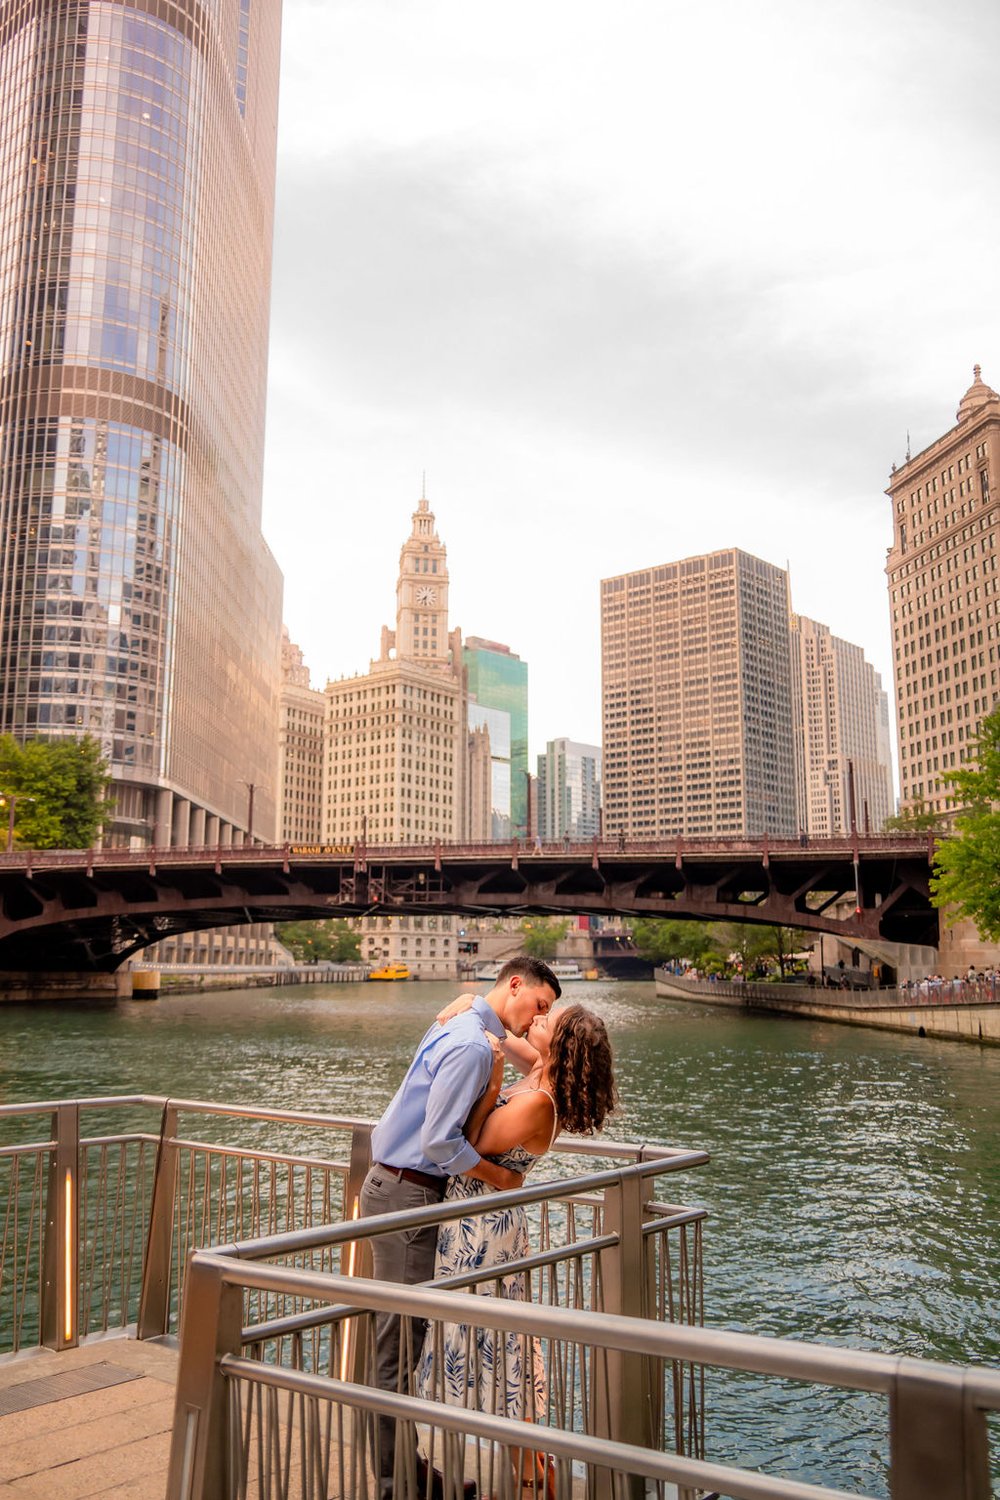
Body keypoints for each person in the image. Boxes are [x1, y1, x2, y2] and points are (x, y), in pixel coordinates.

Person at [359, 956, 561, 1500]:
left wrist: (469, 1000)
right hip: (407, 1192)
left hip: (405, 1190)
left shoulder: (472, 1027)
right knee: (398, 1348)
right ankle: (395, 1484)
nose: (539, 1017)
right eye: (540, 1005)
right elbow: (440, 1144)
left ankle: (410, 1469)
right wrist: (500, 1175)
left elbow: (529, 1057)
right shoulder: (473, 1044)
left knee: (408, 1341)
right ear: (516, 984)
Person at [414, 1003, 618, 1492]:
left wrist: (488, 1088)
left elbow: (471, 1140)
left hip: (484, 1231)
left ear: (562, 1045)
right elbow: (499, 1030)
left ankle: (529, 1474)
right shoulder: (540, 1070)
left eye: (550, 1021)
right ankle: (533, 1471)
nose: (539, 1020)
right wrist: (466, 1003)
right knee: (500, 1345)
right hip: (477, 1217)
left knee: (498, 1346)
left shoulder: (540, 1101)